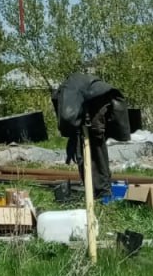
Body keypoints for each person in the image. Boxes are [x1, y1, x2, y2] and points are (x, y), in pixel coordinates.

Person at [51, 72, 131, 201]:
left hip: (99, 102)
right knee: (89, 147)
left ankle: (101, 191)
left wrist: (73, 133)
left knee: (96, 146)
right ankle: (96, 189)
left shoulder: (68, 90)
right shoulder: (69, 89)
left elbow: (67, 117)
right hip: (98, 100)